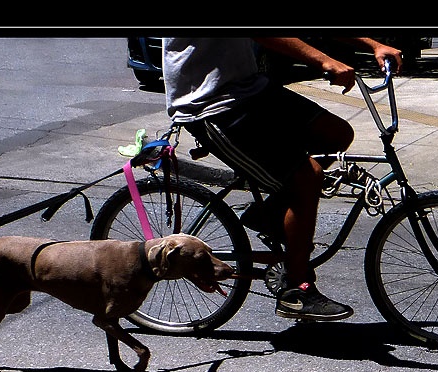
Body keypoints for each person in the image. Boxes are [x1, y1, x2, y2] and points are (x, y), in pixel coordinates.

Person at [162, 37, 403, 321]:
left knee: (337, 134)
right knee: (306, 178)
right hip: (210, 104)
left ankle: (272, 214)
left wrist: (372, 43)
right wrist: (323, 60)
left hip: (250, 91)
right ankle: (295, 290)